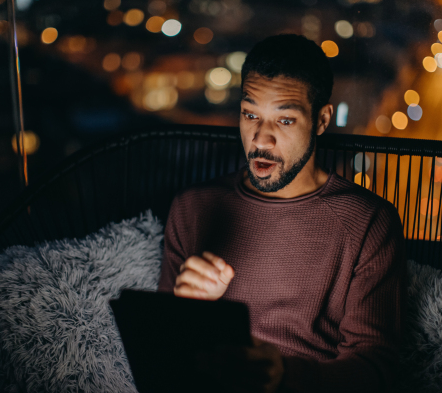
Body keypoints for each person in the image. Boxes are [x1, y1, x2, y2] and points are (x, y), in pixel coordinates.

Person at [157, 34, 406, 393]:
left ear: (321, 120)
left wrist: (284, 377)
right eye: (250, 114)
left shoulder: (368, 223)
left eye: (284, 120)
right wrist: (184, 314)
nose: (261, 139)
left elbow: (375, 371)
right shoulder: (193, 207)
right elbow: (162, 354)